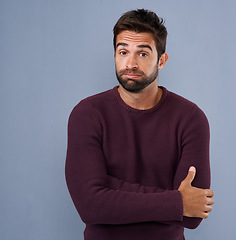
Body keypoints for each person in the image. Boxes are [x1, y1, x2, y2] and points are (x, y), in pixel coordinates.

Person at [65, 9, 214, 240]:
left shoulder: (190, 119)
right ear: (115, 55)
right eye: (123, 52)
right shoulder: (87, 114)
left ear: (161, 60)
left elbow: (192, 215)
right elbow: (90, 205)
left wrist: (107, 189)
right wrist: (175, 201)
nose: (131, 63)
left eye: (143, 54)